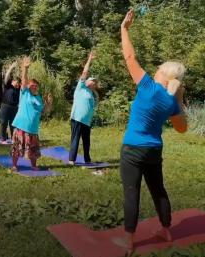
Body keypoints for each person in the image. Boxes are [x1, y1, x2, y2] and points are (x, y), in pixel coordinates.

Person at [114, 10, 188, 251]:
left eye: (159, 68)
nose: (155, 70)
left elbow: (129, 56)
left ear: (164, 75)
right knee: (158, 190)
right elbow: (181, 128)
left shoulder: (149, 88)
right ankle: (166, 231)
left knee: (131, 192)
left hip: (133, 149)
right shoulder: (171, 102)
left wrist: (124, 29)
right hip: (154, 151)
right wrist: (179, 96)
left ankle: (129, 240)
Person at [10, 57, 52, 172]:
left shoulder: (38, 98)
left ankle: (33, 165)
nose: (34, 86)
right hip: (21, 125)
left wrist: (49, 104)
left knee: (33, 149)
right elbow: (23, 80)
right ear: (28, 86)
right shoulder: (25, 93)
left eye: (36, 85)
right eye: (32, 85)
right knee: (17, 147)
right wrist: (25, 68)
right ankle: (14, 165)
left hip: (33, 128)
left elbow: (44, 112)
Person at [69, 51, 99, 165]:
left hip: (87, 121)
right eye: (92, 80)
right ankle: (72, 159)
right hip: (77, 118)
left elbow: (94, 105)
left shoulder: (91, 93)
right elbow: (85, 71)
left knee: (87, 141)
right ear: (86, 81)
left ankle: (87, 160)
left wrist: (95, 93)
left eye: (95, 82)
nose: (94, 82)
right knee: (75, 139)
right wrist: (90, 59)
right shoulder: (80, 87)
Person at [0, 61, 21, 143]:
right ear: (12, 82)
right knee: (3, 122)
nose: (17, 83)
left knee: (13, 124)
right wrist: (11, 67)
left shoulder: (19, 89)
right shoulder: (7, 86)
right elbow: (6, 76)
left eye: (18, 82)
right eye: (15, 81)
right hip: (5, 106)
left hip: (14, 107)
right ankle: (3, 139)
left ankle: (13, 138)